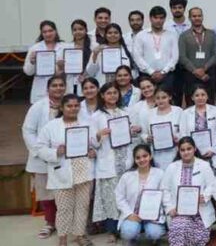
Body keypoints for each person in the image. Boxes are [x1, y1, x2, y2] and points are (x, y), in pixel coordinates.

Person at [36, 93, 97, 246]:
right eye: (69, 106)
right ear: (62, 108)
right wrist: (55, 152)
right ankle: (62, 238)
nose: (73, 108)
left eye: (76, 106)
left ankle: (79, 235)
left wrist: (93, 151)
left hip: (83, 171)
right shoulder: (51, 126)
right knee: (64, 208)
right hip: (62, 173)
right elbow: (40, 148)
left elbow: (95, 144)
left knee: (82, 206)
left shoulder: (87, 124)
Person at [22, 75, 67, 240]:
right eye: (54, 85)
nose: (58, 88)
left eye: (61, 85)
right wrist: (41, 152)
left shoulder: (70, 104)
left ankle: (65, 224)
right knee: (46, 192)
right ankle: (49, 223)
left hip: (65, 156)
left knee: (64, 191)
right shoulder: (38, 107)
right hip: (42, 158)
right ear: (47, 89)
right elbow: (28, 130)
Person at [91, 83, 134, 241]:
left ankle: (127, 228)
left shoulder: (125, 112)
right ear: (102, 96)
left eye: (115, 93)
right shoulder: (97, 116)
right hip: (108, 162)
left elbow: (132, 137)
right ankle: (112, 231)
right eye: (108, 93)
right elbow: (92, 143)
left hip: (125, 160)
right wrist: (98, 135)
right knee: (111, 199)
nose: (112, 96)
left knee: (126, 196)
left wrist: (132, 131)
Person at [161, 137, 216, 246]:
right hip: (179, 212)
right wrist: (169, 208)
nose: (186, 152)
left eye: (189, 149)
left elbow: (213, 185)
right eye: (183, 150)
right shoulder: (172, 167)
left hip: (200, 212)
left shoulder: (204, 165)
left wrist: (205, 196)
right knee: (179, 227)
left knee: (198, 239)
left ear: (194, 149)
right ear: (179, 151)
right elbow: (164, 189)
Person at [114, 144, 166, 243]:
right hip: (133, 215)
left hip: (152, 216)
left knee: (155, 233)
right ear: (134, 159)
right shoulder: (127, 176)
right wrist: (129, 214)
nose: (142, 160)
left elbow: (164, 196)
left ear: (150, 156)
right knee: (128, 232)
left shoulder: (160, 174)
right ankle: (132, 240)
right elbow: (119, 197)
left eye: (145, 156)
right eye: (138, 157)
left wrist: (157, 214)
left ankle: (154, 241)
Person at [133, 6, 179, 99]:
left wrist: (163, 72)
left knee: (166, 101)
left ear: (165, 19)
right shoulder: (141, 35)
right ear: (150, 18)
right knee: (148, 101)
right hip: (147, 75)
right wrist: (151, 72)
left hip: (167, 75)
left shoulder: (172, 35)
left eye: (161, 18)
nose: (158, 21)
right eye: (156, 18)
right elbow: (137, 56)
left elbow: (175, 57)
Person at [178, 7, 216, 104]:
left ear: (202, 17)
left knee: (209, 104)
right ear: (189, 18)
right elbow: (182, 56)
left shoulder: (212, 34)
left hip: (208, 75)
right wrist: (195, 71)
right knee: (191, 104)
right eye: (194, 16)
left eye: (199, 15)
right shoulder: (184, 36)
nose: (197, 18)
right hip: (190, 76)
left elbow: (215, 54)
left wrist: (204, 69)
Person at [179, 84, 216, 169]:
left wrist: (213, 150)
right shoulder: (185, 113)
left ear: (207, 96)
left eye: (203, 95)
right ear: (192, 98)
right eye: (197, 95)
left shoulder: (215, 110)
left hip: (213, 153)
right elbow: (183, 133)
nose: (200, 98)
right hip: (193, 153)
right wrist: (191, 150)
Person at [23, 20, 67, 103]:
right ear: (41, 33)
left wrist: (62, 68)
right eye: (45, 32)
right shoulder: (35, 48)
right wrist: (32, 62)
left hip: (59, 88)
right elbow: (28, 72)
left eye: (50, 31)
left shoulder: (65, 47)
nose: (48, 34)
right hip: (40, 90)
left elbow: (71, 70)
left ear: (55, 31)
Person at [141, 86, 182, 169]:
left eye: (164, 97)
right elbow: (143, 133)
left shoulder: (178, 111)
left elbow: (184, 131)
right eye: (158, 98)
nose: (160, 100)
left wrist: (177, 137)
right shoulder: (149, 114)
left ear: (170, 97)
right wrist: (147, 138)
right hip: (156, 153)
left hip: (175, 151)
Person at [167, 0, 190, 106]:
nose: (177, 10)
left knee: (190, 93)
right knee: (175, 94)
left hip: (189, 64)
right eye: (174, 8)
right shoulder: (165, 26)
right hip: (173, 65)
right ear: (171, 9)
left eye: (180, 7)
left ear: (184, 9)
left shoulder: (191, 24)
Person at [63, 19, 95, 96]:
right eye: (75, 30)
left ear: (86, 30)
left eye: (80, 29)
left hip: (89, 82)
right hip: (71, 83)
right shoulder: (67, 47)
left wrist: (85, 75)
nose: (77, 32)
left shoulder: (94, 46)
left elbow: (96, 65)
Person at [129, 76, 157, 145]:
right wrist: (136, 130)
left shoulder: (162, 103)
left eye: (148, 86)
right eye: (143, 88)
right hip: (144, 145)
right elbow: (132, 128)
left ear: (154, 86)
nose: (146, 90)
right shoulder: (137, 106)